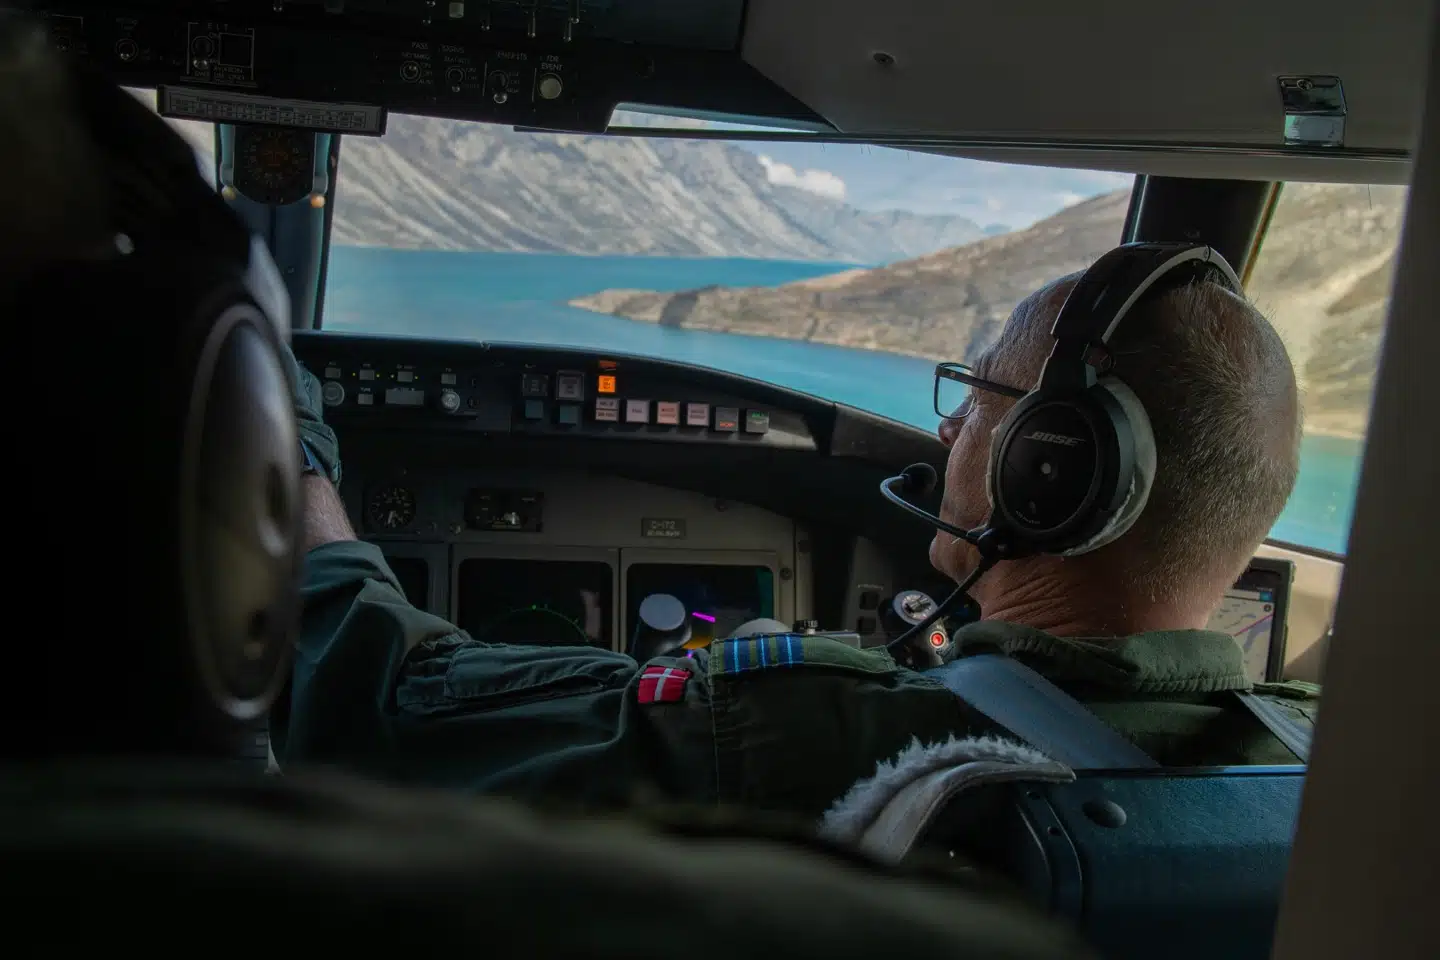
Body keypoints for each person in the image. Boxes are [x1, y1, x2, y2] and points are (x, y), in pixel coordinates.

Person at [281, 255, 1319, 817]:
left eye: (980, 399)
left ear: (1055, 470)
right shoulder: (1326, 769)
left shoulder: (795, 733)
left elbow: (374, 703)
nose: (949, 430)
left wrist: (288, 444)